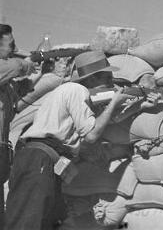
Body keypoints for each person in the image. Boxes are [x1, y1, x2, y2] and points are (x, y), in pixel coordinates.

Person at [5, 50, 133, 230]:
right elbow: (92, 135)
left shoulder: (71, 92)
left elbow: (100, 122)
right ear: (93, 78)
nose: (111, 82)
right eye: (107, 77)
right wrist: (114, 103)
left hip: (44, 159)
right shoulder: (76, 90)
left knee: (51, 221)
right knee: (26, 221)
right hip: (39, 159)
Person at [0, 24, 35, 226]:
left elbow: (16, 98)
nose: (14, 48)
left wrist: (42, 71)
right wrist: (29, 62)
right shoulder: (9, 66)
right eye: (10, 44)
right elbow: (15, 67)